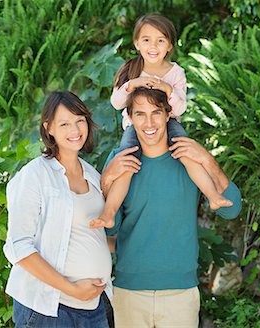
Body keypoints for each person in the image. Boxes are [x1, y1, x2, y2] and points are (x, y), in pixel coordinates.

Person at [102, 87, 242, 327]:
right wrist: (106, 179)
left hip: (181, 292)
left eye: (156, 113)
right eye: (140, 114)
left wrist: (207, 159)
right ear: (130, 118)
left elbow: (231, 209)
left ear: (168, 115)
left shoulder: (188, 159)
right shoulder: (120, 159)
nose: (149, 122)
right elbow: (106, 230)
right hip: (130, 291)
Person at [89, 14, 232, 229]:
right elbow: (117, 103)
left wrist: (168, 90)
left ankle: (212, 195)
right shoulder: (131, 70)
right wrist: (132, 84)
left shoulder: (175, 72)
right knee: (126, 162)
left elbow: (180, 108)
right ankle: (109, 212)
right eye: (146, 40)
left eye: (160, 40)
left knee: (186, 152)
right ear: (137, 43)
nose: (153, 46)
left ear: (170, 46)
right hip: (134, 126)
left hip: (169, 123)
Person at [3, 91, 113, 327]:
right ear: (48, 128)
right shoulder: (34, 175)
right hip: (48, 309)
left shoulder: (92, 175)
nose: (75, 130)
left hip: (92, 307)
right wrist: (72, 289)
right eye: (64, 124)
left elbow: (87, 235)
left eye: (79, 121)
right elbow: (18, 246)